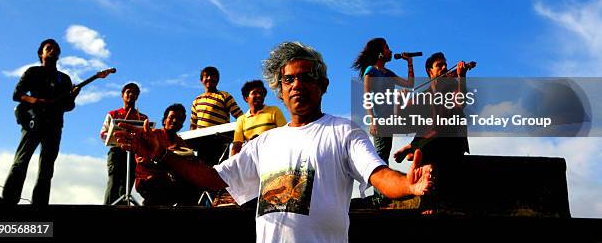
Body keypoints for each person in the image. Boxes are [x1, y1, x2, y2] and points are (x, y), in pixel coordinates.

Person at [116, 42, 433, 243]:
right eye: (288, 79)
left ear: (322, 85)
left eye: (306, 77)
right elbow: (214, 178)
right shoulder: (265, 143)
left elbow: (378, 175)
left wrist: (408, 185)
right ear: (280, 91)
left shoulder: (344, 132)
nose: (297, 85)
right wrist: (163, 155)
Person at [3, 39, 80, 206]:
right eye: (49, 48)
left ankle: (40, 205)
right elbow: (17, 95)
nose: (53, 50)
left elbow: (67, 106)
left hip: (54, 126)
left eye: (55, 49)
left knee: (46, 169)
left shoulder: (64, 79)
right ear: (41, 53)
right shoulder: (33, 72)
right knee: (21, 161)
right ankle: (8, 202)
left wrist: (73, 96)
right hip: (33, 121)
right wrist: (36, 101)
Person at [395, 52, 469, 165]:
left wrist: (461, 77)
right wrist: (399, 102)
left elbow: (461, 103)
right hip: (431, 144)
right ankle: (417, 147)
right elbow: (401, 122)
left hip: (452, 141)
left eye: (445, 65)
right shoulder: (422, 97)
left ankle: (413, 147)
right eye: (439, 65)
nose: (444, 68)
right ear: (430, 71)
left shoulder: (452, 86)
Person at [134, 103, 197, 206]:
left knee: (192, 188)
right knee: (159, 185)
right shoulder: (152, 135)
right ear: (164, 120)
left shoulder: (181, 143)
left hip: (170, 182)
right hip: (149, 179)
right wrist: (166, 154)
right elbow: (140, 159)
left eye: (179, 119)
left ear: (182, 124)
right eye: (172, 117)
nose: (175, 121)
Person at [100, 82, 148, 205]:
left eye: (134, 93)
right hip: (116, 152)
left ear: (137, 96)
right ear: (122, 95)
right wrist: (115, 138)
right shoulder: (113, 114)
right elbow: (103, 134)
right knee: (114, 182)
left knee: (127, 184)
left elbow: (147, 136)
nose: (131, 95)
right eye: (128, 92)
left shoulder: (142, 117)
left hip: (133, 154)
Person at [189, 66, 243, 165]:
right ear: (202, 80)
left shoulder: (224, 96)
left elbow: (240, 116)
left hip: (220, 140)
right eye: (207, 76)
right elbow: (193, 124)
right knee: (202, 169)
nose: (210, 78)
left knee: (219, 169)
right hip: (202, 143)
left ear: (217, 80)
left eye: (213, 76)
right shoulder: (197, 100)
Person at [231, 80, 287, 156]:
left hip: (274, 155)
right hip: (252, 159)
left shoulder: (274, 110)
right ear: (246, 98)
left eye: (261, 93)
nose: (259, 95)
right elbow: (237, 145)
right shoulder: (241, 120)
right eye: (254, 93)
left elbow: (285, 134)